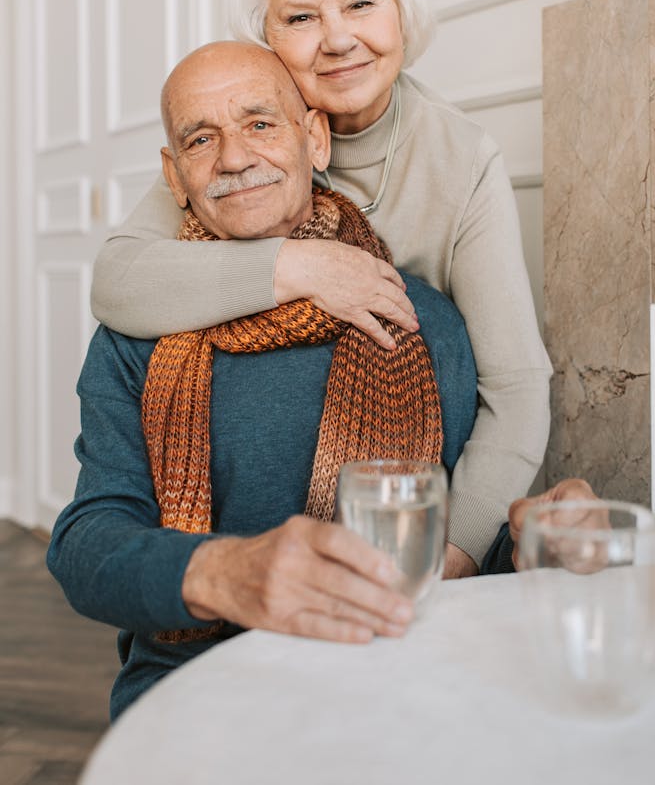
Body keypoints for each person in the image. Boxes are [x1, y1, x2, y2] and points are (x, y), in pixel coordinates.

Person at [48, 40, 515, 720]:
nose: (234, 158)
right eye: (201, 139)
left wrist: (528, 543)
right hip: (191, 690)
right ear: (174, 177)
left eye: (260, 123)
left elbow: (447, 547)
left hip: (387, 680)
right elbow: (87, 546)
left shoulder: (420, 321)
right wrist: (226, 574)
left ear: (315, 139)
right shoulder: (133, 336)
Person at [90, 0, 553, 581]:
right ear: (266, 39)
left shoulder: (461, 157)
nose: (337, 40)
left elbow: (514, 386)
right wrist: (297, 264)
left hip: (403, 457)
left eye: (360, 4)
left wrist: (446, 560)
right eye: (301, 17)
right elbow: (118, 279)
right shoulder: (233, 154)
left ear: (401, 12)